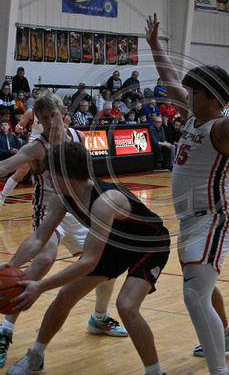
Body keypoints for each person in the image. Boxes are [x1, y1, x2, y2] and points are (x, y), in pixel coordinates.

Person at [145, 13, 229, 374]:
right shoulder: (193, 117)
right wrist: (155, 45)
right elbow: (170, 80)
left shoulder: (222, 129)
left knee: (193, 294)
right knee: (201, 285)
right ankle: (226, 334)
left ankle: (221, 371)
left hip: (212, 220)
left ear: (213, 97)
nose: (187, 96)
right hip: (189, 221)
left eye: (195, 92)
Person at [5, 141, 170, 375]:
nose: (47, 177)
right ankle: (36, 355)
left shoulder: (105, 201)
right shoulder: (63, 197)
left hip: (148, 246)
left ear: (68, 176)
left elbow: (88, 261)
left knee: (126, 305)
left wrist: (40, 286)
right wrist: (11, 265)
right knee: (65, 295)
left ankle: (155, 372)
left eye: (52, 172)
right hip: (115, 244)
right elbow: (39, 238)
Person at [0, 93, 127, 369]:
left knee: (105, 265)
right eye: (43, 118)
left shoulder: (78, 138)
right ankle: (5, 330)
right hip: (48, 208)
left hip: (77, 208)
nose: (49, 122)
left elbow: (88, 176)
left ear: (62, 113)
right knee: (45, 259)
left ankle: (100, 318)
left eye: (53, 116)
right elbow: (7, 166)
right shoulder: (37, 147)